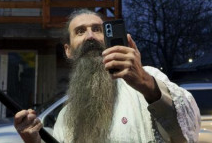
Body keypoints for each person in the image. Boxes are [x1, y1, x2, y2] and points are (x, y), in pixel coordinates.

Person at [14, 9, 201, 143]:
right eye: (80, 31)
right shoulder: (66, 116)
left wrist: (145, 82)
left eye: (97, 29)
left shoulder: (148, 79)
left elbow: (188, 129)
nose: (90, 36)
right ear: (68, 50)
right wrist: (34, 141)